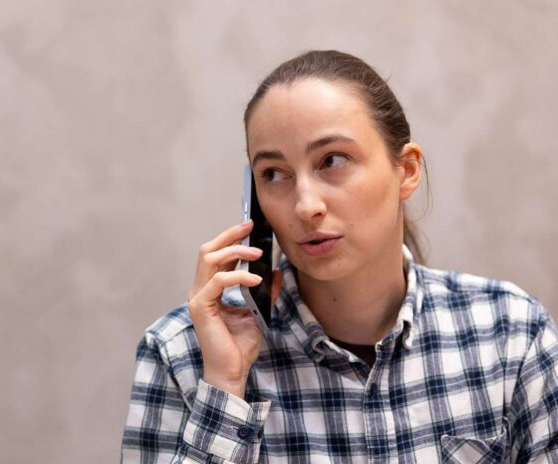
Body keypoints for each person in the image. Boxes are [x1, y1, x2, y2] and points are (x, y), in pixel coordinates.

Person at [119, 50, 558, 463]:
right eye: (274, 174)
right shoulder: (182, 353)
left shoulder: (511, 333)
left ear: (406, 171)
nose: (305, 206)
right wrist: (224, 388)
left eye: (332, 160)